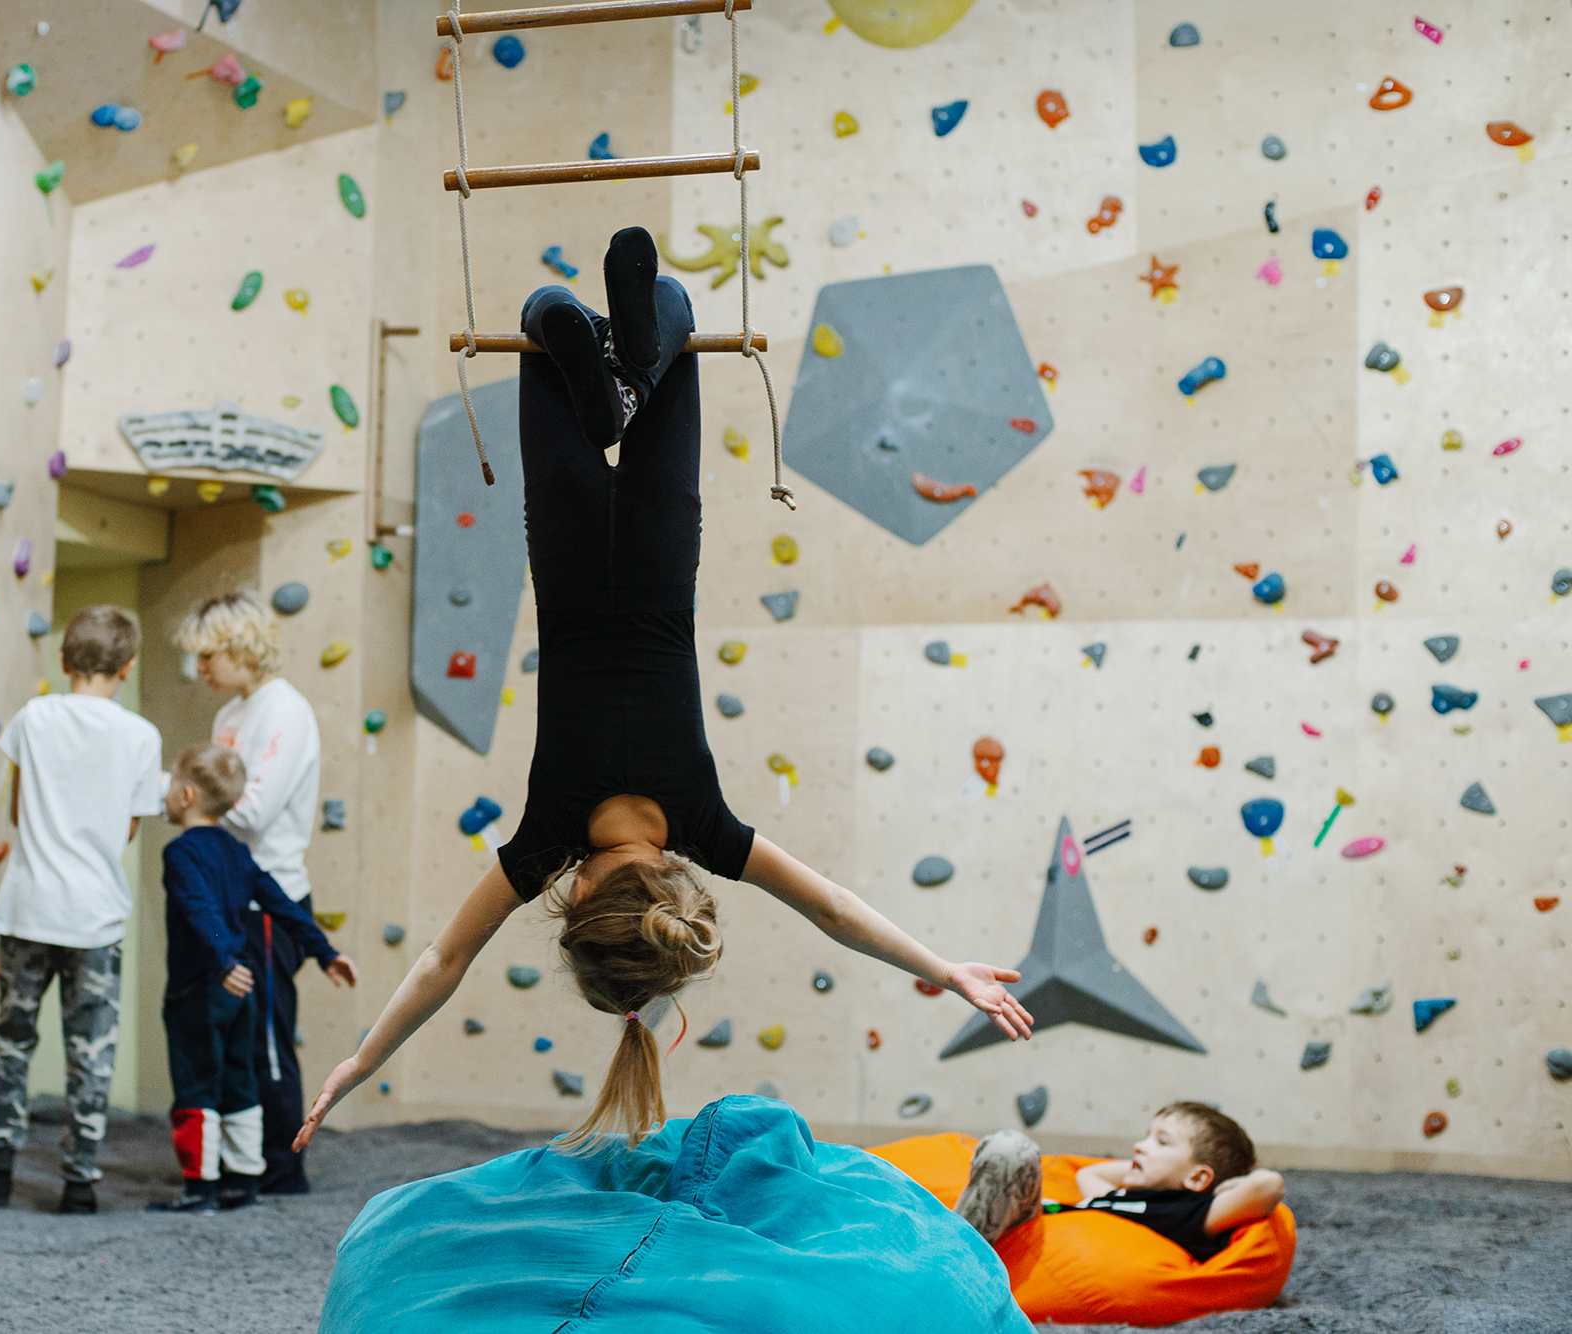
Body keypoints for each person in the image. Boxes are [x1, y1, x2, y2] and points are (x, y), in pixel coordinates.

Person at [294, 227, 1034, 1156]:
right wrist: (359, 1062)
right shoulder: (543, 839)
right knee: (542, 316)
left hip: (659, 533)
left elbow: (835, 910)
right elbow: (444, 963)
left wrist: (944, 970)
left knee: (676, 306)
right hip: (563, 535)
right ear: (583, 896)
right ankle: (611, 389)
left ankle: (635, 381)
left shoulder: (705, 827)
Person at [0, 606, 165, 1213]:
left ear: (62, 659)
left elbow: (17, 809)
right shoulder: (141, 736)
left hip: (28, 908)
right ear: (127, 668)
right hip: (96, 917)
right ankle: (79, 1183)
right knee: (92, 1052)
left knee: (13, 1041)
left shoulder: (33, 718)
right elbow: (129, 827)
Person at [147, 743, 358, 1213]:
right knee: (241, 1080)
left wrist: (222, 960)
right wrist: (324, 950)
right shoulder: (237, 851)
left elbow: (198, 909)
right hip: (246, 986)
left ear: (184, 796)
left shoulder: (180, 853)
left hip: (201, 986)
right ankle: (243, 1180)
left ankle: (200, 1189)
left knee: (197, 1084)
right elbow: (280, 902)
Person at [174, 591, 331, 1193]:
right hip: (232, 899)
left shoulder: (283, 710)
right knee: (235, 1036)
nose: (201, 669)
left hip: (270, 899)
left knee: (265, 1037)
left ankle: (283, 1169)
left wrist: (189, 800)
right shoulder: (229, 717)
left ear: (243, 646)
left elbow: (254, 810)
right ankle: (245, 1163)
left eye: (209, 655)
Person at [955, 1102, 1287, 1260]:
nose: (1139, 1146)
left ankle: (948, 1257)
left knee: (1010, 1150)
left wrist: (1226, 1187)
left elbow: (1268, 1186)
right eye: (1145, 1137)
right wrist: (1150, 1167)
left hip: (1021, 1237)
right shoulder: (1119, 1198)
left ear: (1199, 1177)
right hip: (1029, 1222)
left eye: (1162, 1142)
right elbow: (1090, 1173)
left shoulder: (1187, 1212)